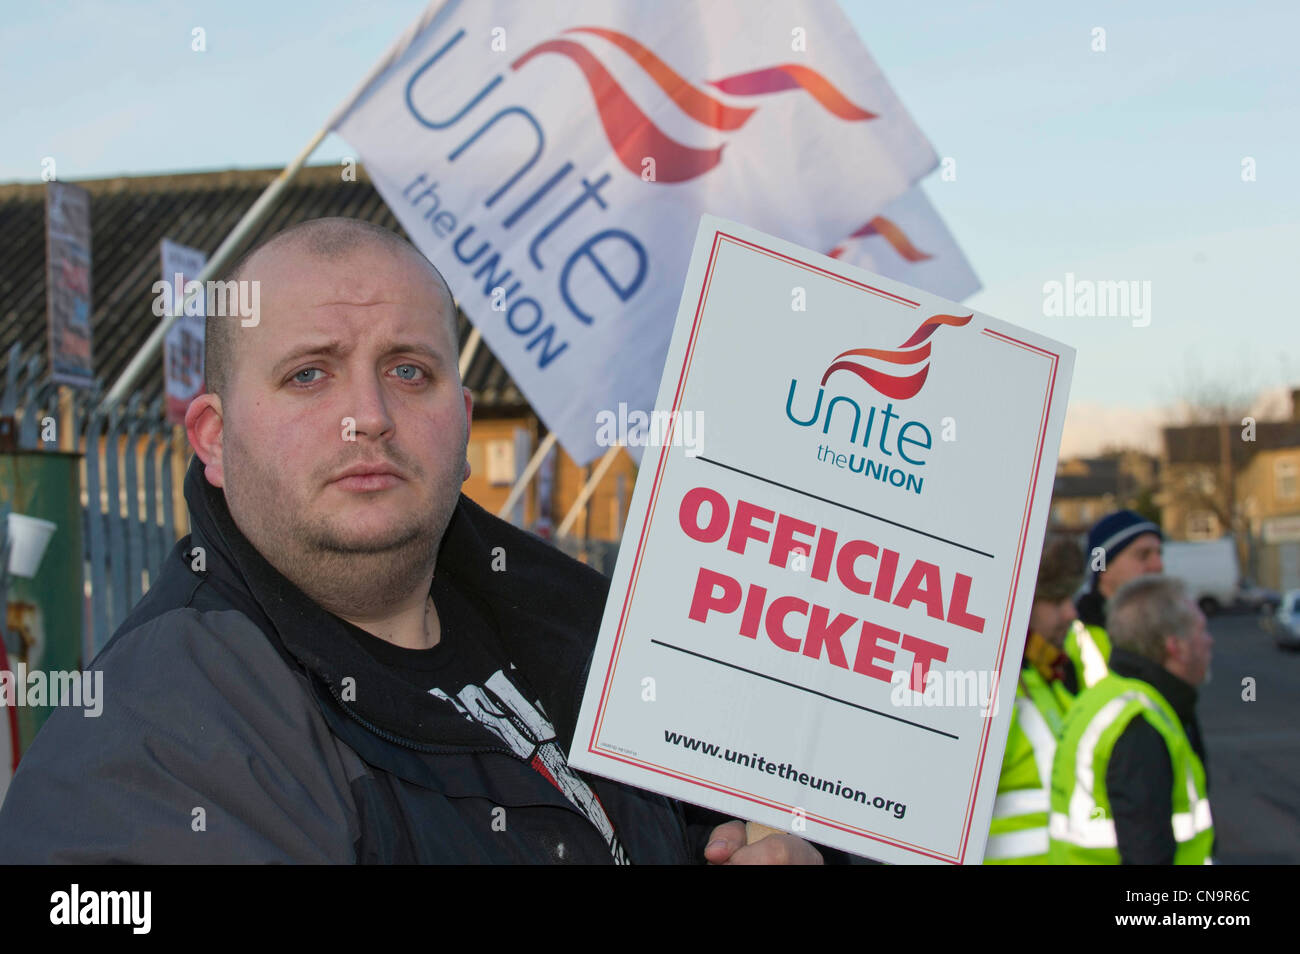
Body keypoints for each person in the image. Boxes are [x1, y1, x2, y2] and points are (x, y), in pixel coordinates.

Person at [0, 218, 823, 865]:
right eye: (308, 375)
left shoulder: (578, 628)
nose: (370, 415)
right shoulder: (161, 742)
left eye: (408, 372)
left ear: (463, 424)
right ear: (214, 438)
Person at [1049, 575, 1214, 864]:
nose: (1209, 642)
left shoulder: (1104, 698)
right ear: (1175, 646)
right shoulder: (1140, 724)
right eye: (1201, 631)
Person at [984, 533, 1083, 864]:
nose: (1070, 612)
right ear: (1024, 603)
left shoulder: (1051, 672)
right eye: (1056, 601)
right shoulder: (993, 685)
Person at [1067, 509, 1163, 689]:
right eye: (1143, 555)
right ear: (1102, 568)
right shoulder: (1074, 637)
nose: (1158, 565)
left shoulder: (1164, 630)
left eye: (1159, 553)